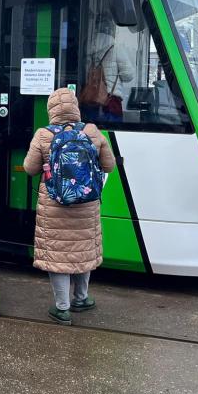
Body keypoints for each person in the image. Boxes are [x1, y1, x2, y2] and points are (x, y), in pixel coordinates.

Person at [23, 88, 116, 325]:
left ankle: (62, 308)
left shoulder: (43, 134)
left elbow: (29, 169)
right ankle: (81, 298)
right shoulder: (92, 131)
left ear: (51, 110)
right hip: (86, 204)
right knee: (82, 250)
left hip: (54, 204)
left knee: (58, 255)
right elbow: (109, 166)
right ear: (75, 107)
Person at [79, 18, 134, 124]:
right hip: (110, 102)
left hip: (90, 98)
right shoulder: (116, 48)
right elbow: (128, 75)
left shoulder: (87, 47)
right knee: (110, 131)